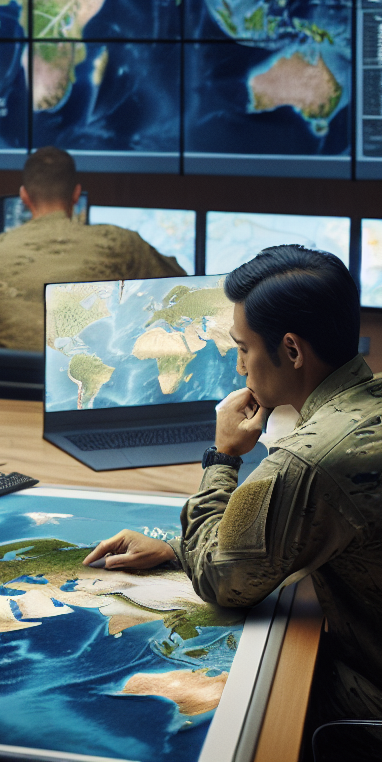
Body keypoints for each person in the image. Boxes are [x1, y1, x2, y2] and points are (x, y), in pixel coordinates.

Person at [83, 246, 381, 744]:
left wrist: (223, 457)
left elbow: (223, 581)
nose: (240, 365)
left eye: (243, 348)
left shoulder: (307, 464)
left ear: (291, 350)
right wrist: (179, 550)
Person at [0, 147, 186, 351]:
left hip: (6, 403)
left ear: (24, 196)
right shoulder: (119, 244)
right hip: (83, 402)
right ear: (76, 194)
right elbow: (182, 289)